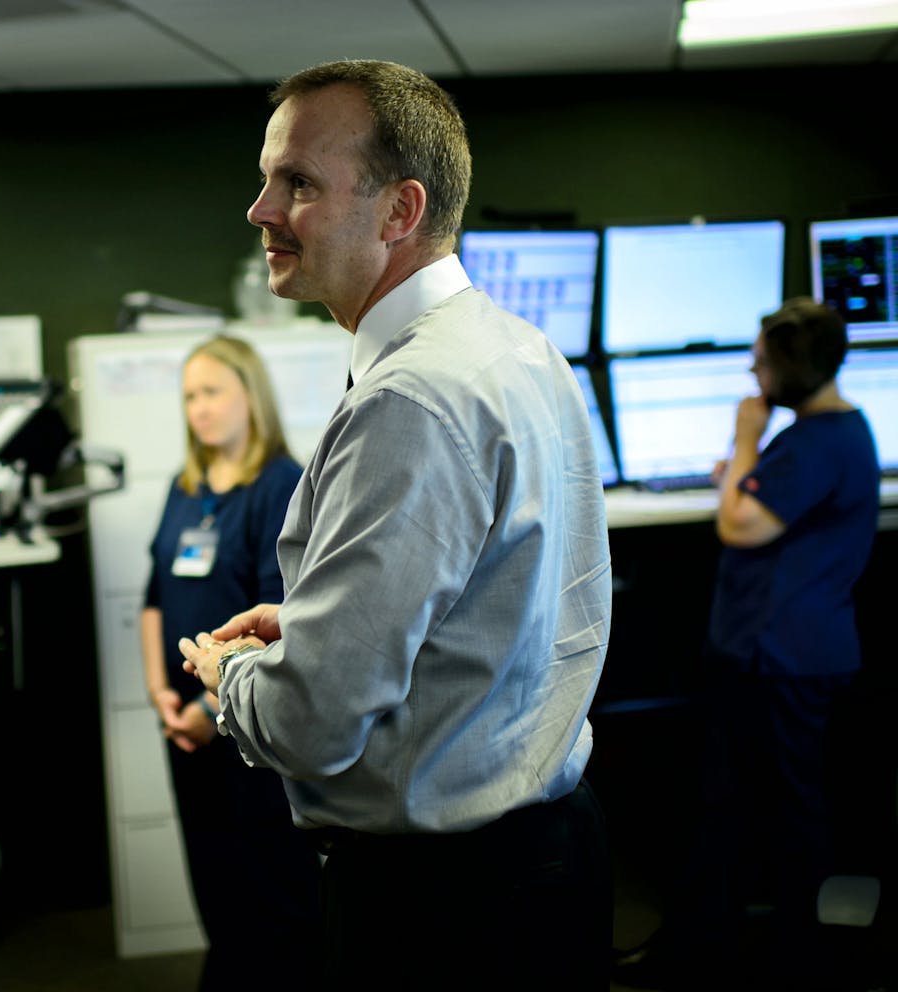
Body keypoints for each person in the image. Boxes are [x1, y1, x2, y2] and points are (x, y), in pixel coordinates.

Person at [176, 60, 614, 990]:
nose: (260, 210)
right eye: (268, 179)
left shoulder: (410, 399)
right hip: (541, 863)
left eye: (297, 183)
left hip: (447, 908)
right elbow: (501, 605)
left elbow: (313, 723)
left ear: (400, 210)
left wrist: (235, 675)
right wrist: (318, 629)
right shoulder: (511, 346)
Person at [613, 298, 880, 990]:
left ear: (788, 368)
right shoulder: (830, 432)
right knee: (746, 803)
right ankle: (729, 943)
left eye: (760, 360)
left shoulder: (817, 439)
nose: (750, 370)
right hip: (782, 652)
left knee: (769, 809)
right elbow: (756, 502)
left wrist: (744, 437)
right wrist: (743, 466)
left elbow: (742, 527)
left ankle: (780, 955)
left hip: (780, 657)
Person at [141, 334, 322, 991]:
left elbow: (279, 619)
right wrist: (161, 694)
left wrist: (206, 707)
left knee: (270, 881)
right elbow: (155, 600)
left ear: (252, 395)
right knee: (212, 871)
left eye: (213, 391)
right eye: (190, 395)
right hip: (183, 726)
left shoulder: (279, 484)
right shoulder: (183, 487)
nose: (199, 408)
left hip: (244, 719)